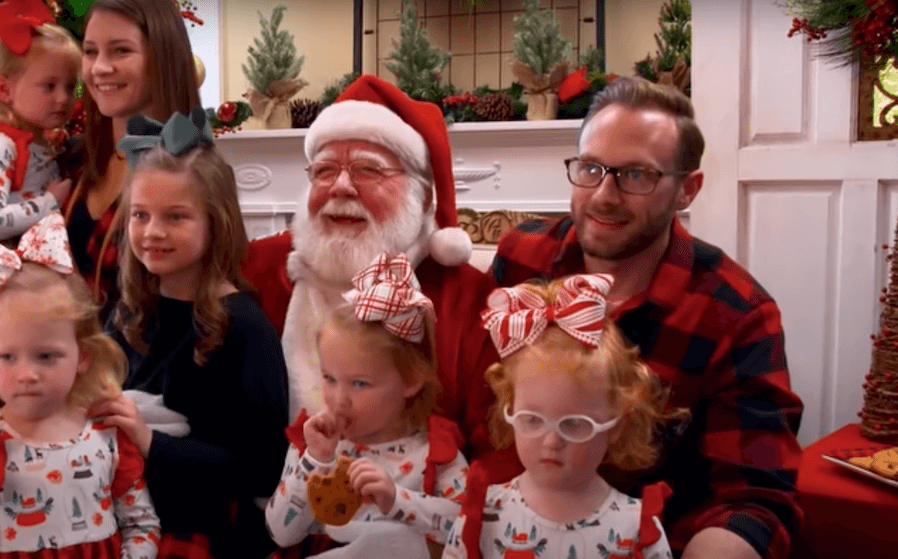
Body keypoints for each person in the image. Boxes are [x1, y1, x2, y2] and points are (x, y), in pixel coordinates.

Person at [489, 77, 804, 559]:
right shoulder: (521, 258)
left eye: (637, 175)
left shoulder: (736, 312)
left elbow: (755, 496)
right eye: (591, 168)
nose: (604, 196)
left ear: (687, 189)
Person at [242, 75, 499, 457]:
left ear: (423, 196)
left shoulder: (469, 301)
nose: (341, 186)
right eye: (324, 170)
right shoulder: (260, 270)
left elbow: (495, 446)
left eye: (369, 170)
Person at [98, 107, 289, 559]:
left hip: (207, 531)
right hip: (122, 515)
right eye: (140, 215)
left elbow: (263, 469)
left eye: (176, 217)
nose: (153, 232)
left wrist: (149, 442)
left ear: (215, 222)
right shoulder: (127, 312)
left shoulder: (243, 327)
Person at [0, 213, 161, 558]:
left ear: (82, 356)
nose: (26, 374)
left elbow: (141, 525)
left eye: (46, 356)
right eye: (8, 357)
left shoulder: (107, 436)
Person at [442, 274, 685, 559]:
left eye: (574, 424)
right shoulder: (483, 514)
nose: (551, 441)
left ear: (619, 425)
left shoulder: (635, 527)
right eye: (532, 419)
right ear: (509, 407)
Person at [265, 253, 468, 559]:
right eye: (329, 378)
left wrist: (397, 500)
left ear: (410, 380)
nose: (338, 398)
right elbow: (280, 532)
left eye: (359, 384)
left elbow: (469, 527)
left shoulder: (434, 453)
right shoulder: (314, 443)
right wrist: (314, 462)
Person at [60, 0, 201, 314]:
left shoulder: (191, 170)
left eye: (121, 50)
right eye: (90, 51)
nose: (100, 68)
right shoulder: (71, 159)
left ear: (163, 58)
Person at [0, 0, 81, 242]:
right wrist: (50, 202)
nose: (63, 98)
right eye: (49, 86)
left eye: (70, 87)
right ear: (4, 89)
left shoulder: (50, 141)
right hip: (15, 270)